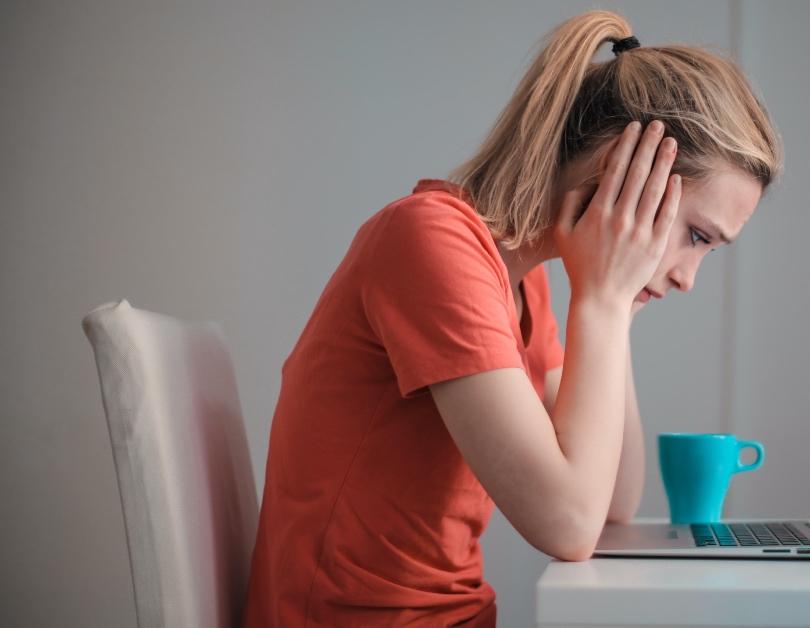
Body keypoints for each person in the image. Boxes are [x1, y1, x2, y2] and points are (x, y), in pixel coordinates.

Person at [241, 9, 782, 628]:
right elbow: (569, 525)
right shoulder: (430, 242)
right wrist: (602, 304)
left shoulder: (524, 285)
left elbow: (611, 503)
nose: (689, 276)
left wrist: (616, 305)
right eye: (694, 235)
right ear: (621, 173)